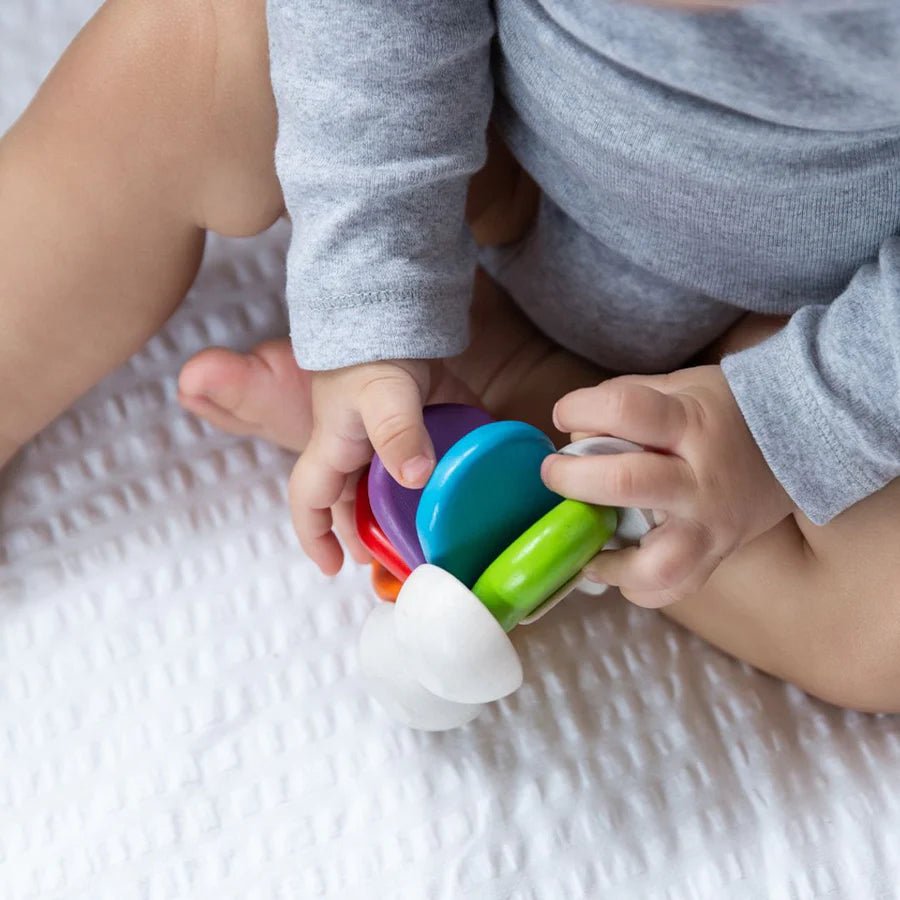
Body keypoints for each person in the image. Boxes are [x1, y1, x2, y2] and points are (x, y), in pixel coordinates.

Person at [2, 0, 899, 712]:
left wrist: (791, 424)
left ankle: (528, 407)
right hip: (487, 165)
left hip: (790, 327)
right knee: (187, 43)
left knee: (882, 620)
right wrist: (370, 300)